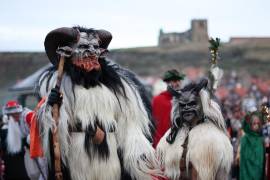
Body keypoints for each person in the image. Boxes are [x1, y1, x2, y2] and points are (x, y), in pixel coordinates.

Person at [30, 26, 160, 180]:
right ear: (68, 53)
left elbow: (131, 124)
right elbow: (49, 130)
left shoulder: (119, 89)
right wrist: (50, 109)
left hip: (110, 163)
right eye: (84, 47)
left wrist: (136, 160)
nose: (92, 52)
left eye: (96, 48)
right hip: (77, 162)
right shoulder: (57, 86)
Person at [0, 100, 47, 180]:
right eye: (13, 114)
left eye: (17, 113)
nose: (16, 116)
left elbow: (38, 127)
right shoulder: (5, 128)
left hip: (35, 151)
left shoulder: (26, 116)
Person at [152, 69, 185, 148]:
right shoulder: (158, 100)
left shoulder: (185, 99)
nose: (177, 83)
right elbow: (154, 125)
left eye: (179, 81)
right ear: (167, 83)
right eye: (174, 81)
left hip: (180, 143)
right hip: (161, 143)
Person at [239, 111, 265, 180]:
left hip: (258, 172)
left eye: (258, 124)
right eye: (254, 123)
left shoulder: (260, 140)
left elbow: (262, 159)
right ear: (250, 124)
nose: (256, 125)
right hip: (247, 173)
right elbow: (243, 160)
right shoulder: (245, 139)